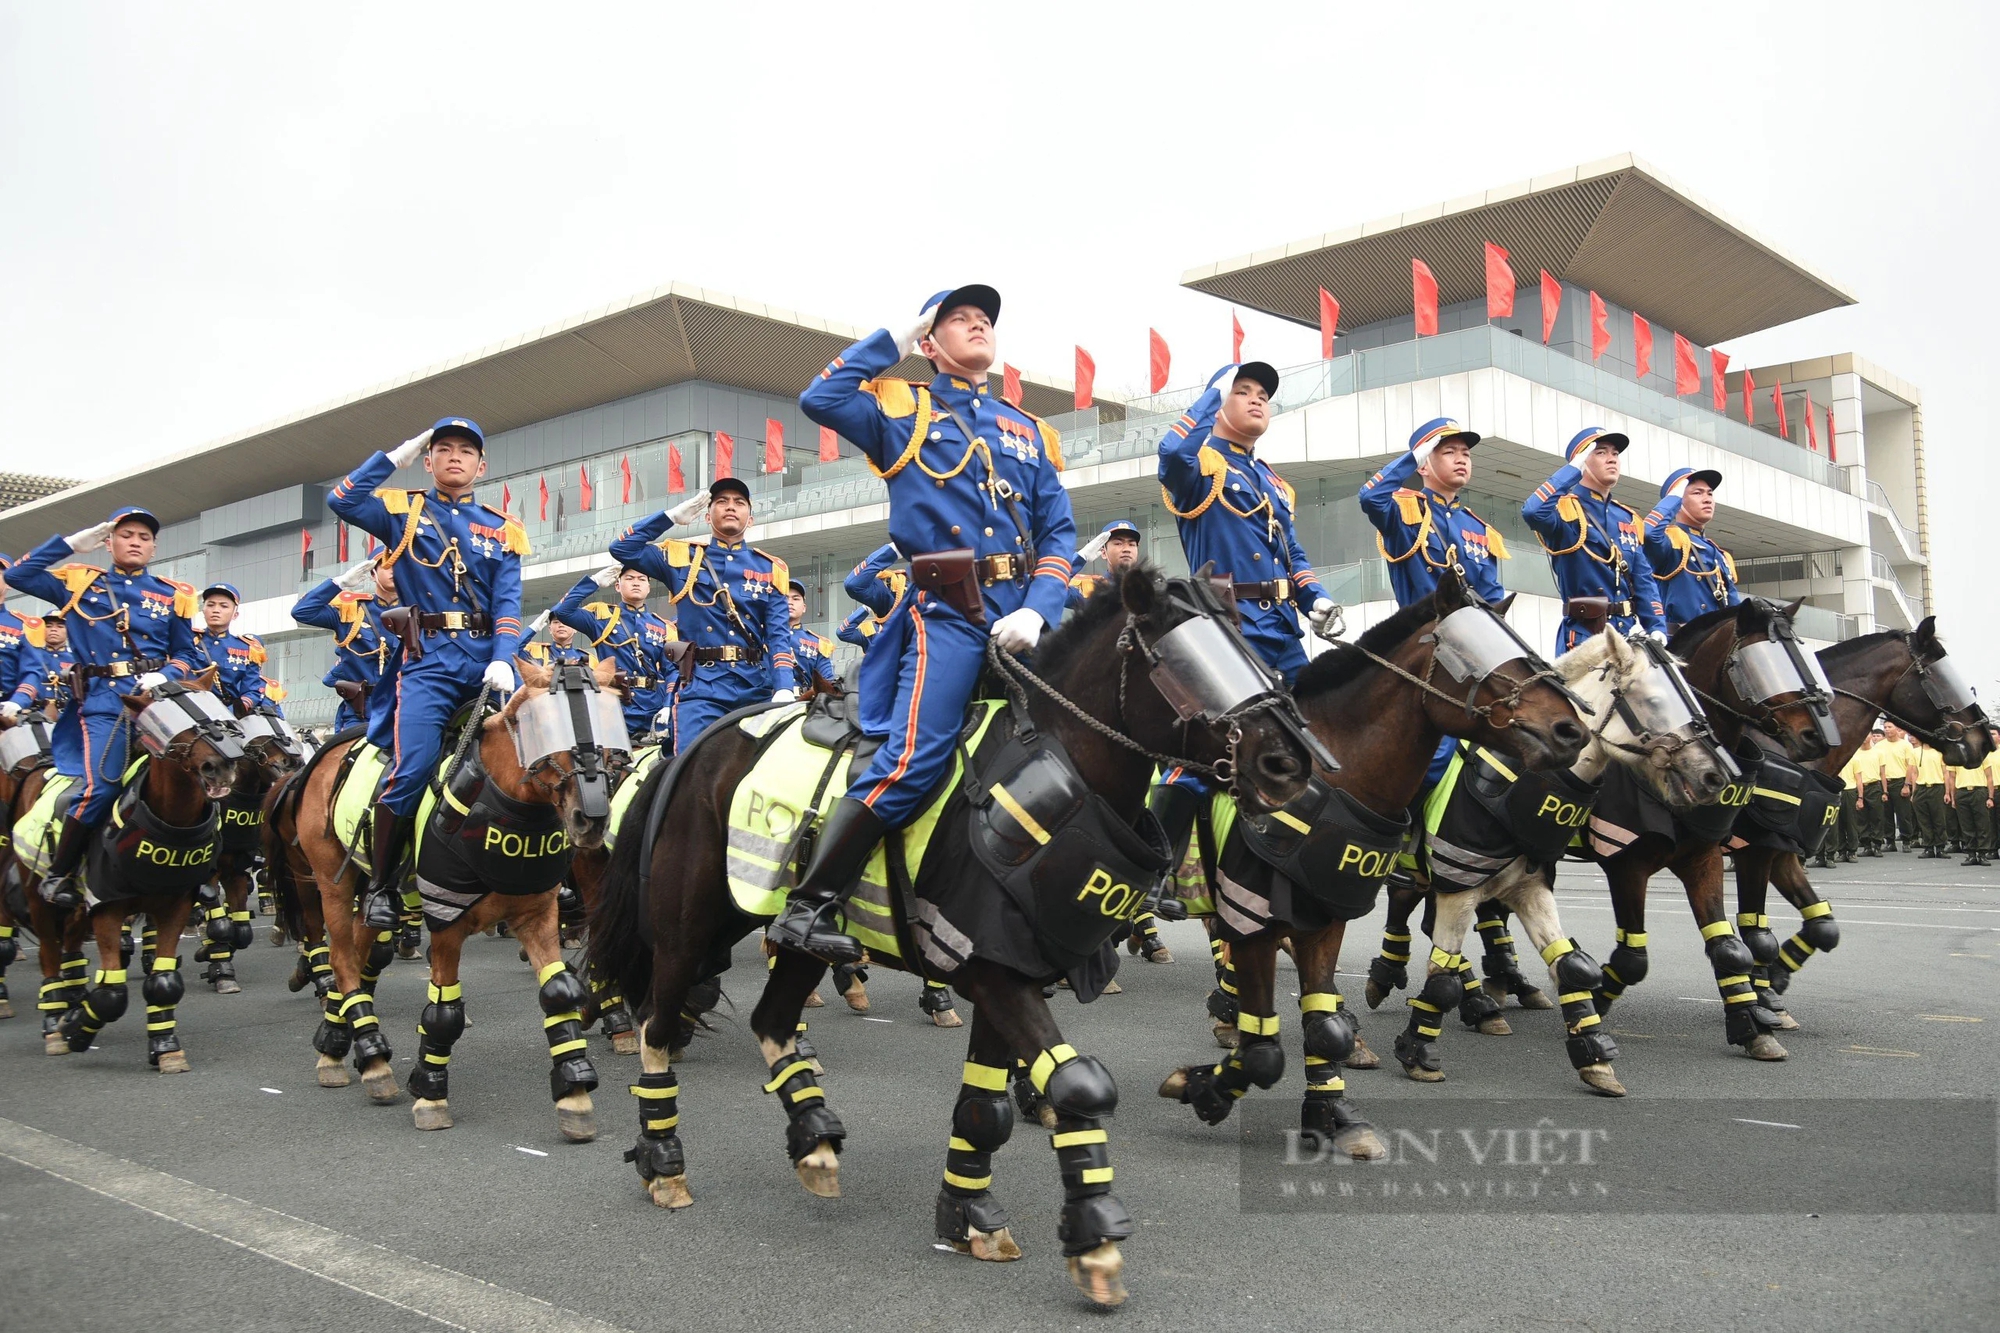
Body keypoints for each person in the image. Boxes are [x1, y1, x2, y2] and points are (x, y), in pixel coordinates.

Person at [769, 283, 1077, 963]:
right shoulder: (902, 407)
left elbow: (1060, 532)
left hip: (1023, 616)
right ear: (931, 342)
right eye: (959, 319)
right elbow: (820, 399)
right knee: (915, 759)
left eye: (985, 319)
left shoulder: (1029, 431)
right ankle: (809, 904)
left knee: (1079, 748)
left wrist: (1039, 605)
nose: (979, 327)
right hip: (948, 615)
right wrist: (897, 340)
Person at [327, 417, 527, 930]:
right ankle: (381, 885)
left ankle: (547, 877)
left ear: (482, 466)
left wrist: (505, 655)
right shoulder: (403, 512)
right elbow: (343, 500)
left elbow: (508, 604)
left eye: (466, 451)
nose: (454, 457)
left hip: (487, 665)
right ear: (431, 460)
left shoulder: (504, 530)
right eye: (443, 449)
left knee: (541, 760)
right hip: (429, 665)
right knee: (412, 768)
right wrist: (394, 459)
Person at [1149, 360, 1336, 861]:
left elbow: (1292, 553)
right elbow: (1170, 452)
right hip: (1227, 627)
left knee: (1315, 732)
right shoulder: (1199, 466)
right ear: (1219, 402)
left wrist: (1314, 597)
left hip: (1280, 627)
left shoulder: (1274, 483)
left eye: (1263, 394)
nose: (1257, 399)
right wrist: (1208, 398)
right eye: (1242, 391)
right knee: (1208, 751)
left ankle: (1298, 848)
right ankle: (1157, 866)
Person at [7, 506, 199, 910]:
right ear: (109, 542)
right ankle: (61, 873)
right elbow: (17, 575)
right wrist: (72, 543)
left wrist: (166, 674)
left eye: (144, 538)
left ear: (154, 547)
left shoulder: (172, 594)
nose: (135, 542)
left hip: (155, 704)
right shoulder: (80, 583)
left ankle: (199, 871)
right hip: (103, 703)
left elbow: (185, 653)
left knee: (201, 770)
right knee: (103, 787)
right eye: (126, 534)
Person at [607, 477, 795, 753]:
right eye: (721, 501)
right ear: (708, 516)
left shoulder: (771, 569)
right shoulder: (682, 557)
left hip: (756, 688)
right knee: (689, 772)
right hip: (702, 690)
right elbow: (622, 548)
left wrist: (784, 687)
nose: (731, 507)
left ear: (750, 519)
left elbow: (778, 637)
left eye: (739, 502)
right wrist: (670, 517)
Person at [1521, 426, 1666, 653]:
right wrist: (1572, 471)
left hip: (1627, 635)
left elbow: (1643, 580)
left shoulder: (1627, 518)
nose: (1612, 459)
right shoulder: (1565, 510)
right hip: (1584, 635)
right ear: (1581, 461)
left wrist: (1656, 626)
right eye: (1600, 452)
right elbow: (1532, 511)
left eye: (1615, 454)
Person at [1358, 418, 1506, 606]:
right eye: (1449, 452)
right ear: (1423, 466)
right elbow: (1370, 497)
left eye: (1466, 454)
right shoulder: (1404, 511)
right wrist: (1413, 459)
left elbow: (1492, 601)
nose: (1461, 459)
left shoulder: (1480, 529)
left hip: (1472, 631)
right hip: (1422, 631)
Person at [554, 563, 679, 746]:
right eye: (629, 578)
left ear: (648, 587)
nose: (636, 583)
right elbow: (563, 611)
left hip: (654, 707)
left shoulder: (661, 626)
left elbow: (671, 670)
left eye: (642, 579)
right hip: (617, 707)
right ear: (618, 585)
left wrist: (668, 704)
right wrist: (594, 582)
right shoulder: (602, 617)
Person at [294, 558, 401, 733]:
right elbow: (302, 612)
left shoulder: (418, 611)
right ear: (373, 574)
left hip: (406, 706)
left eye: (400, 566)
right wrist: (339, 583)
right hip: (361, 712)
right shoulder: (351, 610)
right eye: (387, 566)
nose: (394, 571)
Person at [1643, 467, 1741, 633]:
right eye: (1697, 493)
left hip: (1715, 645)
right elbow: (1649, 533)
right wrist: (1673, 499)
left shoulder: (1720, 554)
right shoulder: (1672, 541)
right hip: (1678, 645)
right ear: (1678, 501)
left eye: (1709, 493)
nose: (1707, 499)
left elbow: (1735, 610)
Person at [188, 583, 277, 714]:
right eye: (210, 605)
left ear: (235, 615)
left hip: (226, 715)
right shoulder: (188, 638)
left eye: (224, 606)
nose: (216, 610)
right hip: (187, 707)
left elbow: (251, 691)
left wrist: (233, 711)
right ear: (203, 610)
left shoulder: (248, 649)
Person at [6, 610, 74, 719]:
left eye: (60, 626)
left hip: (67, 716)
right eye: (48, 626)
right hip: (32, 714)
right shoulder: (30, 654)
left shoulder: (76, 658)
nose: (53, 629)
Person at [1065, 519, 1144, 610]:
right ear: (1103, 552)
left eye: (1131, 544)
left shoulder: (1151, 586)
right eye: (1118, 543)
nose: (1127, 549)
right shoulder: (1091, 589)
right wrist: (1080, 557)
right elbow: (1051, 588)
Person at [786, 581, 839, 695]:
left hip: (802, 703)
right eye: (785, 598)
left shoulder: (819, 643)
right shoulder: (762, 636)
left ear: (804, 608)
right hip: (767, 703)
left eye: (796, 599)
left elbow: (827, 683)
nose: (790, 602)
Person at [1947, 747, 1993, 867]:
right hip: (1962, 792)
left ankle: (1982, 854)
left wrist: (1990, 797)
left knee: (1982, 824)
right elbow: (1952, 778)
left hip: (1978, 791)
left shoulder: (1982, 754)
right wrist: (1953, 796)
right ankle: (1971, 854)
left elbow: (1989, 777)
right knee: (1966, 825)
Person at [1880, 722, 1919, 852]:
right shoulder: (1879, 746)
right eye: (1885, 727)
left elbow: (1910, 766)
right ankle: (1890, 842)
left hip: (1900, 781)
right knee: (1886, 814)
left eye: (1889, 727)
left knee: (1904, 813)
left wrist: (1907, 784)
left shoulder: (1905, 745)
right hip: (1884, 782)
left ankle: (1906, 840)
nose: (1887, 730)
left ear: (1897, 729)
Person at [1911, 741, 1950, 858]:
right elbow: (1914, 772)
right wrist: (1914, 792)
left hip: (1937, 787)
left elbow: (1945, 772)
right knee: (1924, 820)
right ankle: (1928, 847)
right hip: (1921, 787)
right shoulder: (1915, 752)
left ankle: (1940, 847)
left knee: (1939, 819)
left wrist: (1947, 792)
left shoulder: (1940, 752)